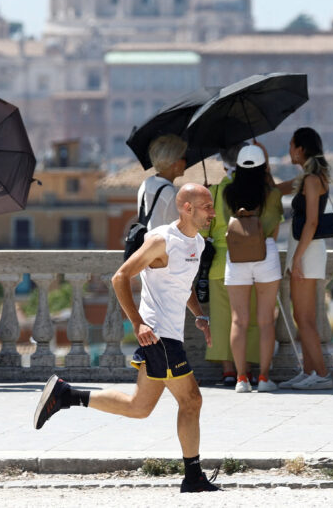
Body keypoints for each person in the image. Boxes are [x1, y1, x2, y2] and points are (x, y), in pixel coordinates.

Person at [33, 183, 221, 493]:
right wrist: (137, 323)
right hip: (159, 336)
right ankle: (193, 476)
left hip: (170, 334)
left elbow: (183, 285)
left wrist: (199, 316)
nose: (212, 213)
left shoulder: (198, 244)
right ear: (187, 208)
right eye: (207, 207)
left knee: (139, 407)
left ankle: (66, 396)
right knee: (191, 400)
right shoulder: (162, 241)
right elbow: (120, 277)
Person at [275, 127, 333, 391]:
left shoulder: (310, 180)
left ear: (300, 148)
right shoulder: (308, 177)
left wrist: (297, 259)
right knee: (302, 316)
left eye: (291, 145)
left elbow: (311, 222)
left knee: (304, 318)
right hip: (305, 249)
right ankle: (309, 371)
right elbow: (275, 190)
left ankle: (321, 374)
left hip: (306, 250)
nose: (289, 150)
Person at [222, 144, 284, 393]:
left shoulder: (228, 193)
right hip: (265, 251)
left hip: (236, 254)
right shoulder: (272, 194)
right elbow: (276, 227)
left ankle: (241, 379)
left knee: (239, 320)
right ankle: (264, 378)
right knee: (266, 320)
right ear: (263, 167)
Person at [201, 143, 262, 386]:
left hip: (219, 264)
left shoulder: (214, 192)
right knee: (250, 318)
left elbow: (204, 228)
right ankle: (246, 368)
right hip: (250, 259)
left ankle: (229, 371)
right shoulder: (256, 189)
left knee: (223, 320)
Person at [138, 134, 188, 230]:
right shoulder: (169, 192)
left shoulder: (146, 183)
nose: (186, 163)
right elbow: (179, 228)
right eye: (184, 158)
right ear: (175, 162)